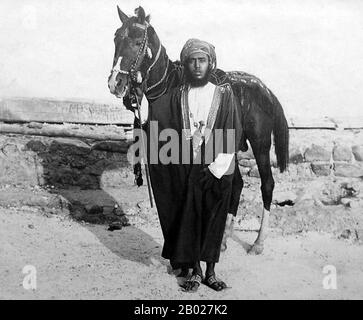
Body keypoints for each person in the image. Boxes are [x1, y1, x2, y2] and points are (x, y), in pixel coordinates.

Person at [143, 39, 242, 292]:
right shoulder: (179, 95)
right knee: (192, 218)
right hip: (191, 168)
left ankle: (211, 272)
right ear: (185, 64)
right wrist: (141, 117)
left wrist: (217, 168)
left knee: (213, 219)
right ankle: (196, 271)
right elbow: (160, 116)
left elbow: (231, 131)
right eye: (192, 61)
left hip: (219, 168)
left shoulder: (224, 94)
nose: (197, 66)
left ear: (211, 63)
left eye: (202, 60)